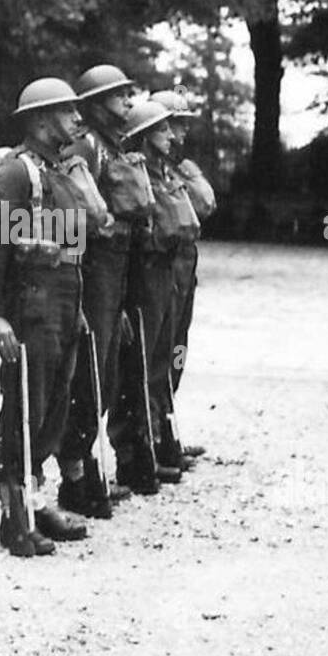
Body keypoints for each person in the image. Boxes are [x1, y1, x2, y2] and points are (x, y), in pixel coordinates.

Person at [0, 77, 91, 556]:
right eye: (68, 112)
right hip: (32, 303)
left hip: (62, 299)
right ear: (42, 121)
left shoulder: (57, 173)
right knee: (26, 406)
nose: (78, 120)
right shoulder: (16, 174)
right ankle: (13, 517)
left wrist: (77, 308)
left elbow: (72, 242)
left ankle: (35, 502)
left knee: (54, 408)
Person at [58, 63, 151, 512]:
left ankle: (87, 465)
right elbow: (70, 219)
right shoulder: (85, 149)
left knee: (106, 376)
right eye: (119, 96)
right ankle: (75, 473)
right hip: (94, 275)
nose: (128, 103)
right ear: (96, 104)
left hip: (115, 278)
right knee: (88, 376)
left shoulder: (114, 147)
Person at [112, 96, 199, 489]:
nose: (171, 135)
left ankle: (158, 436)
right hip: (145, 271)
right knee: (141, 363)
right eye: (162, 129)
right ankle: (137, 446)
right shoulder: (135, 171)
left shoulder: (167, 172)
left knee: (164, 356)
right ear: (145, 136)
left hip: (166, 269)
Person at [151, 89, 217, 465]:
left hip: (184, 263)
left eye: (181, 125)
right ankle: (156, 436)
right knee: (158, 354)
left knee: (177, 350)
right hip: (163, 264)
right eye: (174, 125)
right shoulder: (145, 167)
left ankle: (168, 427)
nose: (180, 134)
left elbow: (206, 205)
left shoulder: (180, 168)